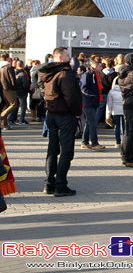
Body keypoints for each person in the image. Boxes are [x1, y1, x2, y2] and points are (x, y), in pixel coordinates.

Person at [38, 47, 82, 197]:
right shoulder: (65, 73)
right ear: (60, 57)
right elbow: (71, 96)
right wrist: (77, 113)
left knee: (52, 150)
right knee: (66, 151)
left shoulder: (48, 72)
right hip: (64, 115)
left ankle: (49, 183)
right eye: (67, 55)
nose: (70, 58)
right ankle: (60, 185)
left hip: (52, 113)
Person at [80, 61, 105, 150]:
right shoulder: (87, 75)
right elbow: (83, 88)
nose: (101, 68)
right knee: (93, 123)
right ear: (95, 66)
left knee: (89, 122)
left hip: (93, 102)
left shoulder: (94, 75)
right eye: (100, 66)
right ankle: (94, 143)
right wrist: (93, 96)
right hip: (88, 103)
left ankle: (85, 141)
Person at [0, 52, 18, 130]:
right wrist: (15, 88)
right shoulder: (9, 67)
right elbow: (12, 79)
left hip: (2, 88)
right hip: (9, 88)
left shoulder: (0, 67)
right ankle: (2, 116)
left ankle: (5, 124)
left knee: (6, 105)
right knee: (14, 104)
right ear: (8, 58)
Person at [106, 77, 124, 148]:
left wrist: (108, 114)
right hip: (123, 110)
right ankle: (123, 141)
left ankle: (117, 142)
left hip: (115, 111)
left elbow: (109, 103)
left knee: (117, 126)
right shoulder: (124, 90)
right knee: (124, 126)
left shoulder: (111, 92)